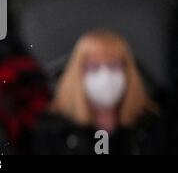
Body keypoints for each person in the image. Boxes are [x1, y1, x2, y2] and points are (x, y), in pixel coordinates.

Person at [31, 29, 177, 154]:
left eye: (114, 66)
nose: (105, 77)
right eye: (93, 67)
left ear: (128, 73)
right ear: (77, 75)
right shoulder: (51, 130)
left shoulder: (153, 124)